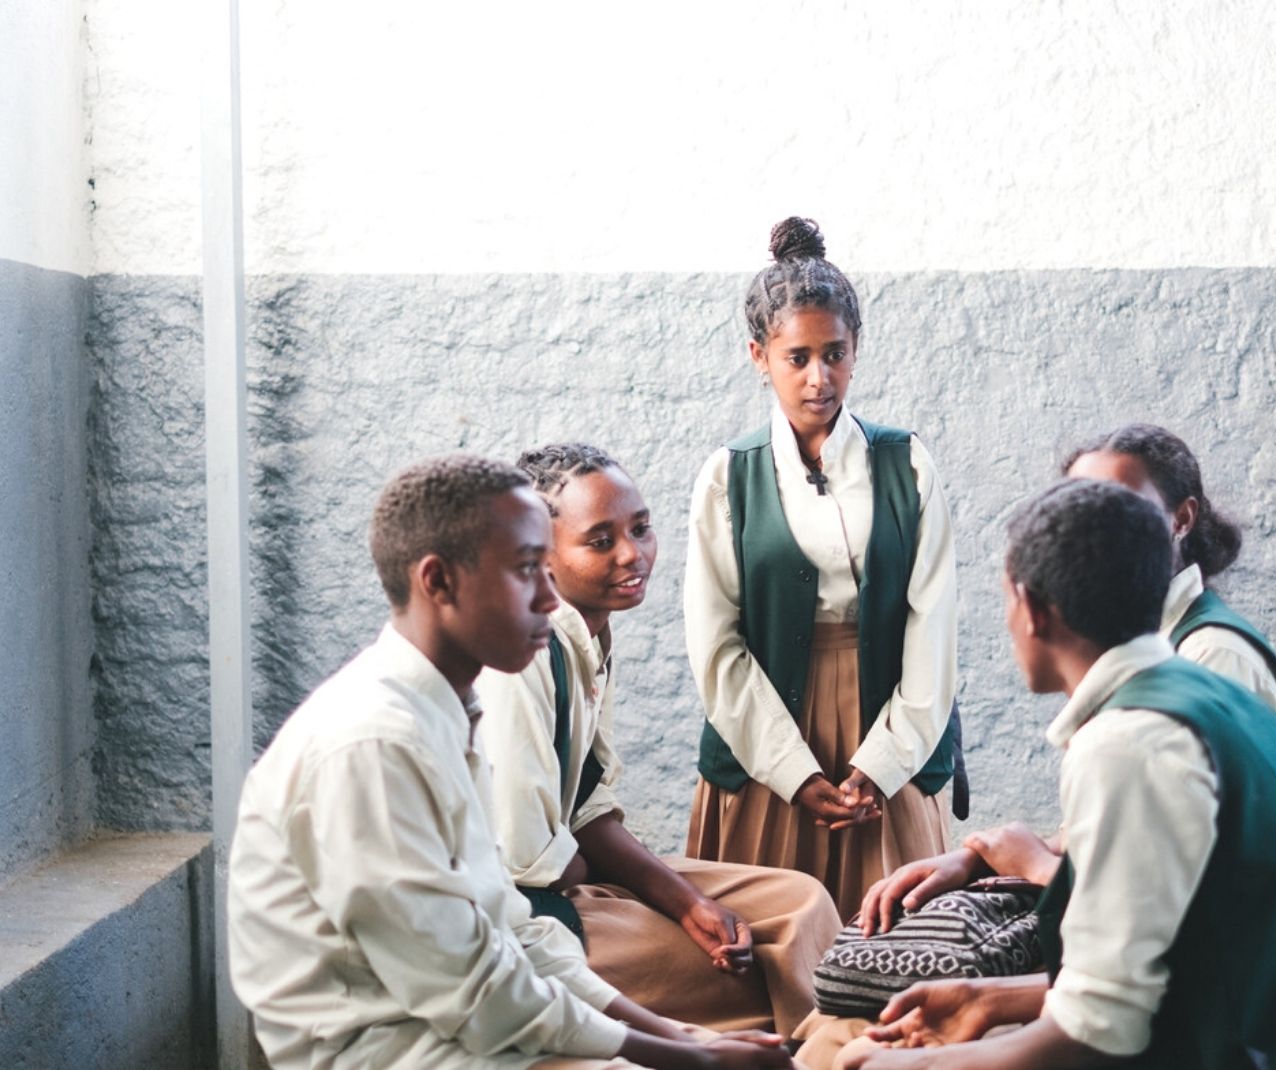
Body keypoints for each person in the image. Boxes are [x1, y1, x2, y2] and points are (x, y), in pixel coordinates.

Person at [227, 455, 792, 1070]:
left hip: (466, 1029)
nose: (551, 598)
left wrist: (683, 1039)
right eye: (528, 571)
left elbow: (516, 934)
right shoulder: (374, 743)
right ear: (438, 582)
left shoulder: (448, 709)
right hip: (388, 1050)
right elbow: (473, 994)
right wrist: (687, 1060)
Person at [835, 479, 1276, 1069]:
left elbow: (1099, 1031)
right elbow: (1176, 961)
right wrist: (984, 998)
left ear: (1031, 609)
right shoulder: (1202, 690)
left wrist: (909, 1066)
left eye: (1004, 598)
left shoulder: (1125, 741)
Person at [475, 443, 841, 1039]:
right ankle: (811, 1048)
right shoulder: (524, 653)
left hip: (574, 872)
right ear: (541, 556)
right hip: (521, 916)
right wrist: (622, 892)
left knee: (799, 902)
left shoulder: (589, 637)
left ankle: (817, 1044)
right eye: (600, 541)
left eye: (640, 529)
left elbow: (590, 811)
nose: (632, 554)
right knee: (741, 971)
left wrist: (685, 902)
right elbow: (525, 855)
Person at [682, 217, 960, 915]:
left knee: (895, 946)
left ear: (856, 349)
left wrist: (883, 765)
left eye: (834, 354)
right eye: (796, 357)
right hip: (768, 739)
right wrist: (791, 770)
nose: (818, 377)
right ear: (758, 355)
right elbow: (716, 645)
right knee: (767, 942)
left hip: (887, 735)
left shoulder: (907, 464)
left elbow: (933, 624)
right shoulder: (727, 477)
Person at [1064, 423, 1276, 737]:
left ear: (1182, 519)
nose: (1094, 532)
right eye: (1077, 511)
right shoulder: (1131, 645)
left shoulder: (1213, 657)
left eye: (1122, 508)